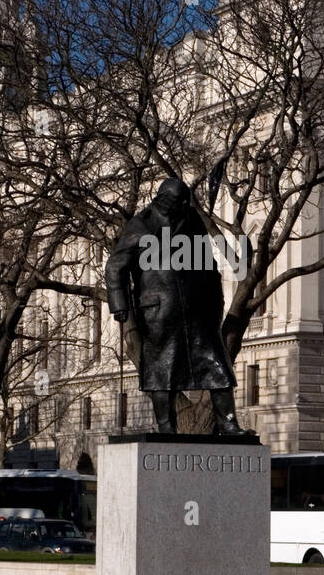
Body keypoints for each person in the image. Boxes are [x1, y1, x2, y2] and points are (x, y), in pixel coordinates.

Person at [104, 177, 250, 436]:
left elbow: (208, 265)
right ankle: (166, 426)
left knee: (219, 368)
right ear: (166, 201)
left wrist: (216, 303)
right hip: (159, 314)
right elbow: (116, 266)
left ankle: (229, 423)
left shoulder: (193, 221)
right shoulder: (140, 225)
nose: (185, 205)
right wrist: (119, 305)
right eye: (180, 202)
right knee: (163, 373)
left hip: (198, 315)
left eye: (186, 201)